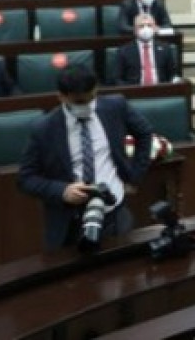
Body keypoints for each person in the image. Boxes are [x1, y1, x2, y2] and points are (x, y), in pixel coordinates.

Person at [17, 66, 153, 251]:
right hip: (70, 221)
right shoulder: (43, 129)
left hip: (114, 213)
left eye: (92, 98)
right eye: (79, 101)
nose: (88, 105)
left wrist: (135, 177)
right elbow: (26, 178)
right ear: (61, 97)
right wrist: (62, 191)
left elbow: (144, 133)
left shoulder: (115, 107)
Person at [110, 14, 179, 85]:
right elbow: (116, 78)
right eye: (141, 26)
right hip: (134, 92)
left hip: (161, 91)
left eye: (149, 25)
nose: (146, 29)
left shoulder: (166, 48)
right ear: (135, 30)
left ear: (155, 28)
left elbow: (173, 75)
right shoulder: (124, 51)